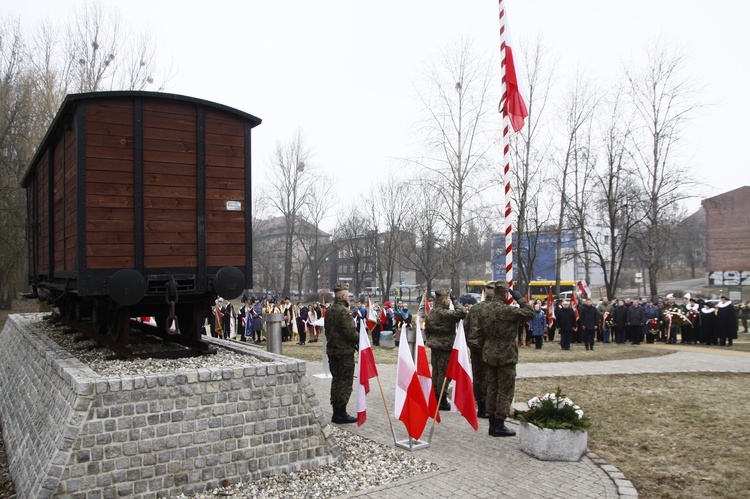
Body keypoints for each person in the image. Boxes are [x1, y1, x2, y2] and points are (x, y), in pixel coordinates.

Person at [481, 281, 534, 437]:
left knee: (491, 389)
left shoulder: (485, 310)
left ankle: (491, 422)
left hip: (489, 353)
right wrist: (519, 298)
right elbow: (530, 312)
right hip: (505, 355)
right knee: (505, 390)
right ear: (505, 294)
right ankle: (499, 424)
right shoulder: (506, 311)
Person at [425, 289, 466, 411]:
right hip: (445, 346)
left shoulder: (430, 313)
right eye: (448, 299)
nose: (449, 301)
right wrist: (456, 301)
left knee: (436, 371)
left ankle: (435, 396)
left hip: (434, 345)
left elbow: (427, 330)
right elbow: (462, 312)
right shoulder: (445, 313)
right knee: (444, 373)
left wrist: (432, 339)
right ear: (444, 300)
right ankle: (441, 399)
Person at [324, 283, 359, 424]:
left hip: (333, 351)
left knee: (337, 380)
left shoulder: (330, 310)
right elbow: (350, 332)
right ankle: (341, 413)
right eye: (348, 294)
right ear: (344, 295)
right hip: (344, 352)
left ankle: (336, 412)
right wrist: (360, 338)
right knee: (345, 382)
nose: (349, 297)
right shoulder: (343, 312)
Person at [464, 281, 494, 419]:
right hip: (488, 346)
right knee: (489, 377)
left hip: (475, 345)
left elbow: (466, 325)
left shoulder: (476, 308)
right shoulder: (495, 308)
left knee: (478, 376)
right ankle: (486, 407)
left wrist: (468, 341)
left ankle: (481, 407)